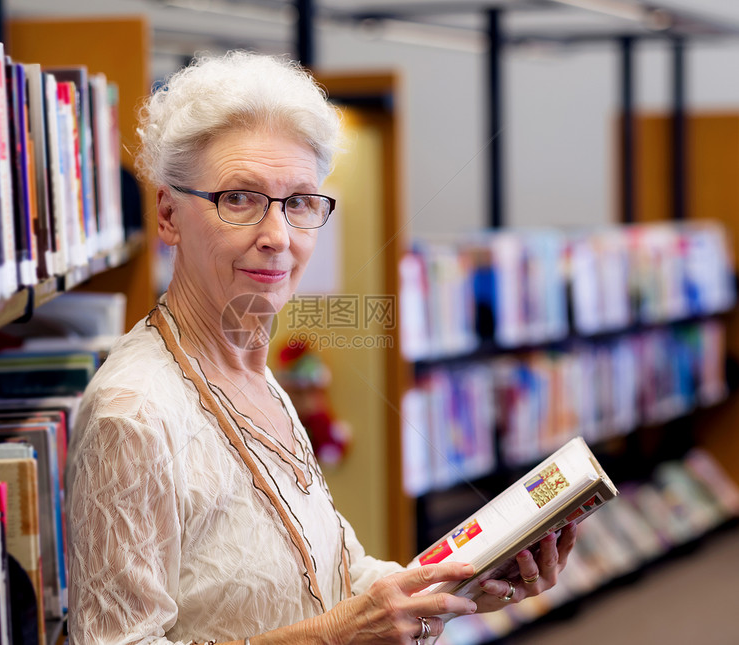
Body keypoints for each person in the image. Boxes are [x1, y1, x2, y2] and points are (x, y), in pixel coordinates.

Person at [65, 51, 576, 645]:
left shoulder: (253, 376)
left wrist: (460, 586)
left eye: (301, 202)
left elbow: (334, 572)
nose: (278, 237)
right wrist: (336, 634)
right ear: (168, 213)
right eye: (238, 198)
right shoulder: (133, 416)